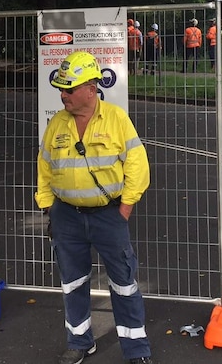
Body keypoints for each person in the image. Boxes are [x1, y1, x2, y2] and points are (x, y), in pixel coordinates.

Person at [35, 51, 154, 364]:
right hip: (66, 217)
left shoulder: (116, 118)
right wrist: (49, 208)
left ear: (90, 88)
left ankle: (136, 349)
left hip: (108, 215)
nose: (63, 95)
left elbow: (137, 166)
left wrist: (125, 208)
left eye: (69, 89)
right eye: (60, 89)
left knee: (124, 283)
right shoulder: (57, 123)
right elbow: (44, 167)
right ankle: (79, 342)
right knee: (73, 282)